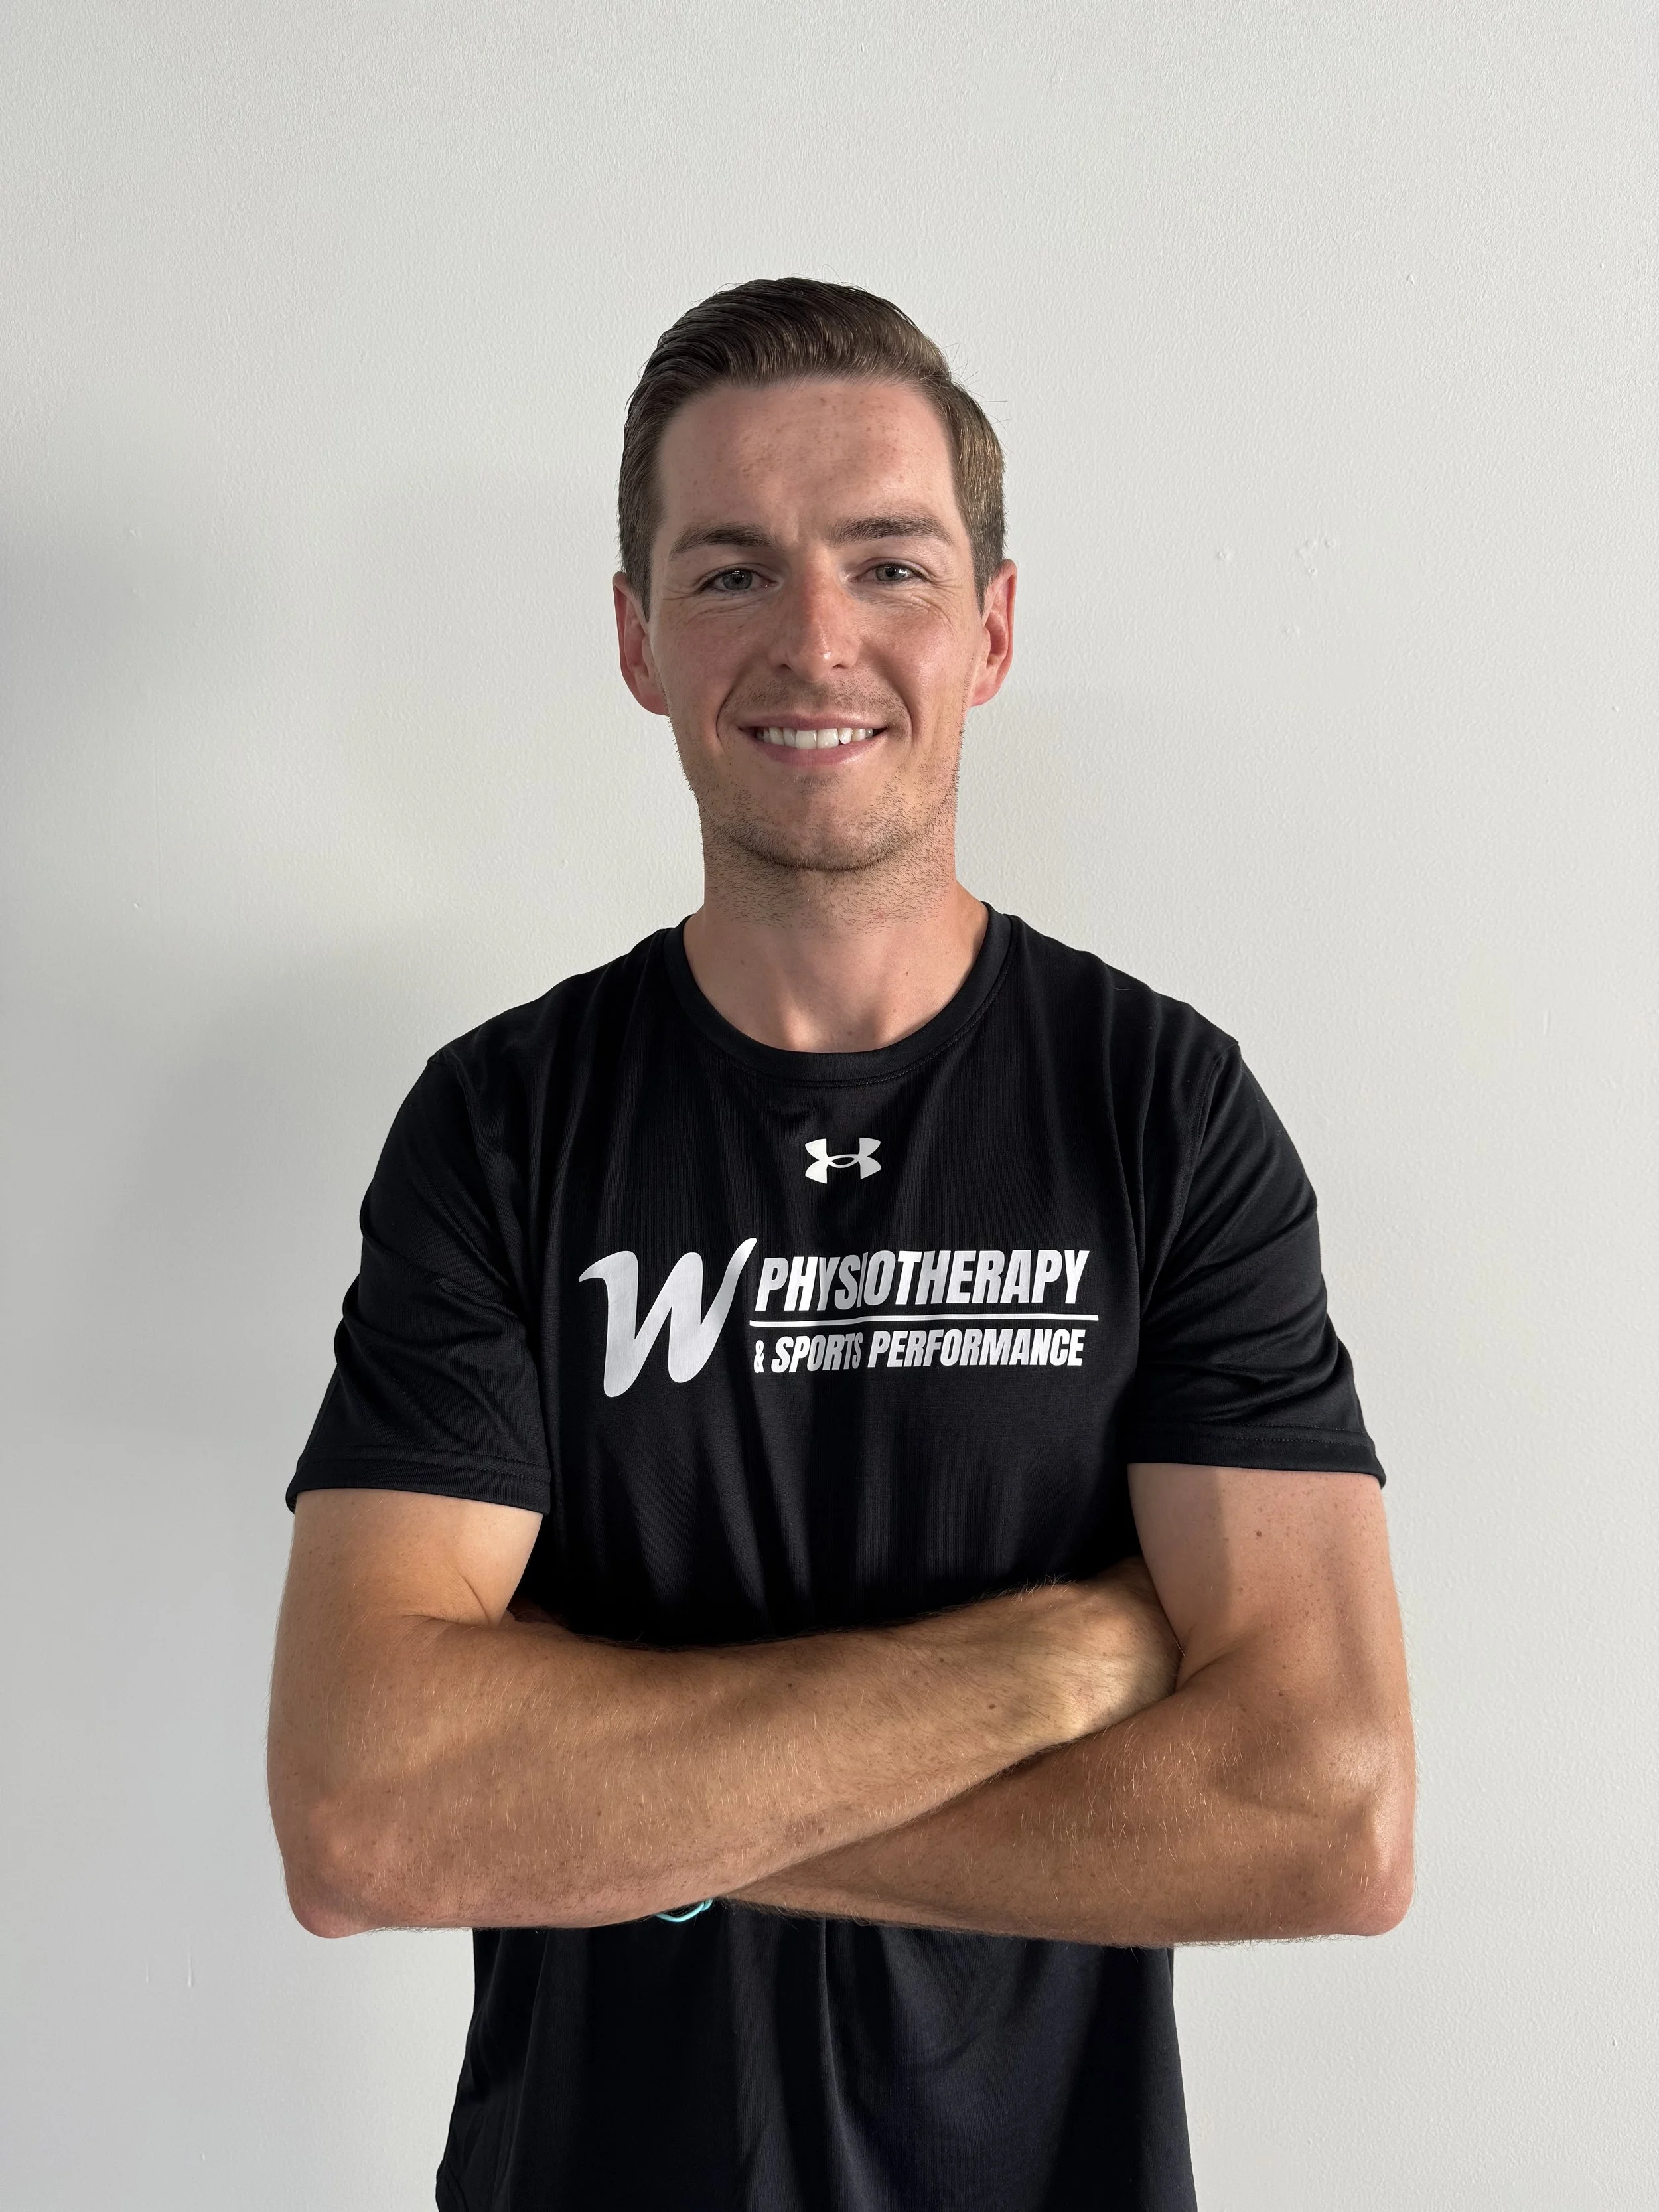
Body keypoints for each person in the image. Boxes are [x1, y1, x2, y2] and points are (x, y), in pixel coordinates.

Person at [267, 277, 1413, 2212]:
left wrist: (618, 1812)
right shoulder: (501, 1125)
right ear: (637, 640)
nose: (815, 639)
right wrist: (1066, 1657)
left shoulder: (1160, 1110)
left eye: (889, 564)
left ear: (992, 628)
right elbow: (366, 1812)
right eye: (730, 572)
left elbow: (1324, 1813)